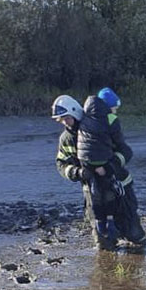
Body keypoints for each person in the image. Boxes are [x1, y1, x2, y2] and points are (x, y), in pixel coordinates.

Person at [78, 88, 146, 247]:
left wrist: (84, 169)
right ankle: (121, 234)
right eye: (115, 109)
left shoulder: (84, 119)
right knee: (116, 206)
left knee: (98, 202)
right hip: (113, 176)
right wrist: (111, 166)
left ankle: (105, 234)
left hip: (91, 174)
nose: (116, 112)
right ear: (109, 107)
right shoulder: (110, 120)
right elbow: (122, 147)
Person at [52, 94, 118, 250]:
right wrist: (77, 172)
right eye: (61, 120)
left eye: (66, 118)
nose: (64, 122)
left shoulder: (95, 128)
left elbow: (116, 150)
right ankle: (104, 258)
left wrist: (109, 168)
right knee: (98, 230)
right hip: (89, 186)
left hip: (109, 181)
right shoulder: (66, 139)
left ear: (75, 112)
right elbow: (61, 163)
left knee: (120, 220)